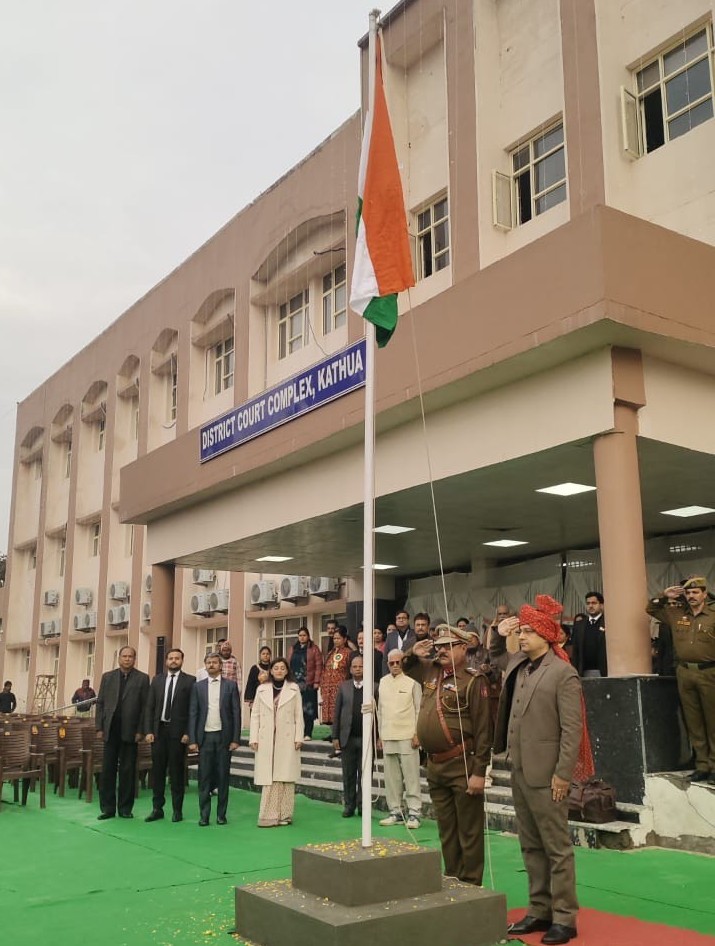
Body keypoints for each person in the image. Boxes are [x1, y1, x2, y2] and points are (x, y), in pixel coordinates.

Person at [491, 595, 592, 946]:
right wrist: (499, 634)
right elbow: (497, 657)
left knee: (556, 848)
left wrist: (563, 774)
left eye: (528, 632)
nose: (522, 637)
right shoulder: (521, 666)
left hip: (549, 775)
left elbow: (572, 730)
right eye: (521, 631)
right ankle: (539, 908)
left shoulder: (563, 673)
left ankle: (564, 917)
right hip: (520, 770)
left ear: (546, 635)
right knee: (531, 845)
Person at [408, 625, 492, 886]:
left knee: (469, 830)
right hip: (436, 765)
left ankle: (471, 883)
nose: (441, 650)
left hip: (462, 764)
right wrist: (413, 651)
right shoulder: (431, 671)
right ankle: (453, 877)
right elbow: (406, 667)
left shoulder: (473, 680)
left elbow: (483, 731)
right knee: (446, 829)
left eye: (448, 646)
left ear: (463, 648)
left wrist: (479, 772)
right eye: (439, 646)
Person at [646, 576, 715, 783]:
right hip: (685, 673)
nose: (691, 596)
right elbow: (651, 609)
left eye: (695, 592)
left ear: (704, 594)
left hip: (709, 672)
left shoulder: (712, 615)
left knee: (712, 720)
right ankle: (702, 765)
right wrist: (663, 595)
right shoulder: (676, 613)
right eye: (688, 593)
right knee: (694, 722)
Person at [95, 646, 150, 820]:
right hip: (110, 729)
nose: (127, 659)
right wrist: (99, 727)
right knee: (108, 770)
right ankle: (107, 808)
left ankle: (125, 808)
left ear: (134, 659)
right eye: (124, 656)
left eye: (130, 656)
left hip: (131, 731)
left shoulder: (142, 678)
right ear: (119, 658)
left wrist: (141, 730)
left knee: (128, 771)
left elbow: (145, 707)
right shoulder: (107, 677)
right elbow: (100, 703)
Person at [249, 657, 304, 826]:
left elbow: (298, 715)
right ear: (271, 671)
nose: (279, 671)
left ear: (287, 671)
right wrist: (253, 737)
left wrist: (299, 737)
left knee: (285, 777)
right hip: (266, 737)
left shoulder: (294, 689)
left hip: (286, 738)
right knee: (269, 778)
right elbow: (255, 714)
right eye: (276, 668)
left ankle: (285, 815)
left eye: (282, 668)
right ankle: (268, 816)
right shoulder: (261, 689)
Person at [188, 652, 241, 826]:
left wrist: (235, 739)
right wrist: (193, 740)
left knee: (223, 777)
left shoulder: (230, 686)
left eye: (215, 662)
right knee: (204, 777)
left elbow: (236, 713)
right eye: (208, 662)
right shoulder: (198, 687)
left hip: (224, 737)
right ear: (205, 665)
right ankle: (204, 815)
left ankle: (221, 815)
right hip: (205, 738)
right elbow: (193, 713)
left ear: (220, 665)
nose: (211, 665)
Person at [143, 649, 196, 823]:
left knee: (177, 773)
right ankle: (157, 809)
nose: (174, 661)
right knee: (157, 773)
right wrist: (149, 731)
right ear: (166, 661)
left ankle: (177, 810)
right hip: (158, 733)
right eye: (171, 658)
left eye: (177, 658)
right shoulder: (157, 680)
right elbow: (149, 707)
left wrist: (188, 732)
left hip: (178, 735)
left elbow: (192, 709)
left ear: (182, 660)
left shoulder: (190, 681)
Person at [377, 649, 423, 829]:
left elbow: (419, 710)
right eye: (391, 663)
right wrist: (380, 735)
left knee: (411, 777)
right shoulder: (382, 682)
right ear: (387, 664)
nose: (395, 665)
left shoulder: (412, 683)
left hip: (407, 736)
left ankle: (415, 812)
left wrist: (417, 734)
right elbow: (380, 711)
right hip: (388, 735)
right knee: (391, 778)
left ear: (403, 662)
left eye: (398, 662)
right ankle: (395, 811)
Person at [332, 655, 367, 818]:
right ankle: (349, 805)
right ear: (351, 669)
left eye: (361, 666)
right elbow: (337, 713)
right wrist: (335, 736)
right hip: (347, 738)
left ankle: (363, 805)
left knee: (365, 775)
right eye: (355, 666)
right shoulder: (343, 687)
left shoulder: (374, 687)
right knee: (348, 774)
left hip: (366, 739)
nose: (358, 669)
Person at [288, 628, 323, 740]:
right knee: (295, 708)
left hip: (309, 683)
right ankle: (296, 733)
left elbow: (318, 666)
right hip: (295, 683)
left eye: (304, 635)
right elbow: (288, 664)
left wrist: (317, 681)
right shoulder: (293, 648)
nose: (302, 637)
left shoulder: (314, 649)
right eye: (300, 635)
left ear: (308, 636)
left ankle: (307, 733)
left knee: (308, 709)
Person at [320, 626, 352, 727]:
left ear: (344, 639)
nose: (336, 640)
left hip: (340, 687)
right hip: (328, 688)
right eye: (334, 638)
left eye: (338, 638)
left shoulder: (348, 653)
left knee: (339, 712)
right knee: (329, 716)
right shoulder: (330, 653)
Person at [570, 592, 607, 677]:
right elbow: (575, 650)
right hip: (583, 671)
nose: (590, 606)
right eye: (588, 603)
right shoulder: (579, 625)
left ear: (601, 605)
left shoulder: (608, 622)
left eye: (594, 603)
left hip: (604, 671)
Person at [382, 610, 416, 676]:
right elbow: (385, 658)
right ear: (396, 620)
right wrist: (386, 675)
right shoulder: (390, 636)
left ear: (408, 620)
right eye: (399, 618)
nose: (401, 620)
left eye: (404, 618)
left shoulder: (414, 634)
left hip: (411, 672)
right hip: (394, 672)